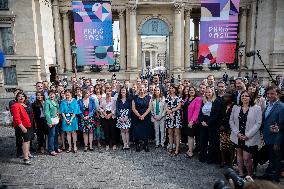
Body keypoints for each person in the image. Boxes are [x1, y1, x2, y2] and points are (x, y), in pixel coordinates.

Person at [230, 90, 262, 177]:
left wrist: (248, 135)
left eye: (246, 96)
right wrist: (237, 133)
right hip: (238, 136)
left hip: (249, 137)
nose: (244, 97)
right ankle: (240, 173)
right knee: (239, 155)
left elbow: (258, 123)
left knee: (246, 158)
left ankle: (250, 175)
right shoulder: (235, 107)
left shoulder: (257, 108)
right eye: (242, 96)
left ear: (250, 98)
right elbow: (231, 121)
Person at [260, 86, 284, 182]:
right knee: (271, 158)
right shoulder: (268, 105)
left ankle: (275, 178)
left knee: (277, 159)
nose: (269, 95)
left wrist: (278, 142)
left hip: (276, 139)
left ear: (278, 94)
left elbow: (282, 125)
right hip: (268, 138)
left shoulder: (281, 107)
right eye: (268, 93)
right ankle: (269, 174)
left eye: (272, 93)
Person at [199, 87, 221, 164]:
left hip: (212, 124)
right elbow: (200, 113)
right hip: (203, 123)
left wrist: (208, 122)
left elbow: (216, 114)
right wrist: (202, 121)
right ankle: (203, 156)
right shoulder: (203, 101)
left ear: (213, 92)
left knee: (212, 142)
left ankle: (211, 158)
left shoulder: (216, 101)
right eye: (206, 92)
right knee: (203, 141)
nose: (208, 94)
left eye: (209, 92)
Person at [10, 92, 33, 165]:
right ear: (16, 98)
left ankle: (27, 153)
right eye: (19, 96)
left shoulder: (25, 104)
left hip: (29, 125)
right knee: (25, 141)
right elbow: (16, 118)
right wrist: (22, 127)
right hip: (22, 126)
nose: (21, 97)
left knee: (28, 140)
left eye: (23, 96)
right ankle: (25, 158)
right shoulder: (15, 105)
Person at [182, 86, 202, 158]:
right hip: (185, 119)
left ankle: (190, 152)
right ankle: (190, 149)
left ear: (195, 91)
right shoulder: (187, 98)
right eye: (190, 90)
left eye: (192, 90)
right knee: (189, 136)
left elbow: (197, 110)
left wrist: (192, 121)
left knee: (191, 136)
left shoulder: (198, 99)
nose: (191, 91)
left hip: (192, 121)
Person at [132, 84, 152, 152]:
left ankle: (145, 144)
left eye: (143, 87)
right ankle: (137, 145)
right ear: (138, 88)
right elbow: (133, 108)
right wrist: (139, 115)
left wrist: (143, 115)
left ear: (145, 89)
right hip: (136, 116)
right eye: (140, 87)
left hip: (146, 116)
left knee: (145, 130)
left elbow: (149, 107)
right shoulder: (135, 97)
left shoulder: (148, 97)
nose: (141, 89)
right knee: (137, 131)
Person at [165, 84, 182, 155]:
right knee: (170, 133)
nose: (171, 89)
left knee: (177, 134)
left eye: (173, 88)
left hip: (177, 117)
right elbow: (165, 107)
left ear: (175, 89)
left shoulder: (179, 98)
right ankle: (171, 147)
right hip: (169, 117)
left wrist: (171, 111)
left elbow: (179, 107)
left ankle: (177, 148)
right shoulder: (167, 98)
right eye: (170, 88)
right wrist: (170, 114)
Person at [219, 92, 235, 167]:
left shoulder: (234, 106)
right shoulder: (223, 105)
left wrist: (226, 126)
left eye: (226, 97)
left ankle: (231, 162)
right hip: (223, 129)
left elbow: (233, 119)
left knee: (231, 147)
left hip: (230, 129)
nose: (224, 98)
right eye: (224, 97)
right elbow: (221, 116)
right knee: (222, 146)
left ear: (230, 98)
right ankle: (223, 160)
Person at [44, 90, 61, 156]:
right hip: (51, 120)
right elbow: (46, 112)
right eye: (50, 94)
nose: (52, 95)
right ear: (48, 95)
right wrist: (49, 122)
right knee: (51, 135)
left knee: (56, 134)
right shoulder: (47, 102)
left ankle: (56, 148)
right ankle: (51, 150)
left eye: (53, 94)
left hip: (56, 119)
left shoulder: (56, 101)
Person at [100, 86, 117, 150]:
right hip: (104, 115)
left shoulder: (113, 99)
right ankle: (107, 144)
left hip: (112, 115)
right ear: (105, 92)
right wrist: (104, 114)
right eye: (107, 91)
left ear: (111, 92)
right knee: (106, 130)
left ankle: (114, 144)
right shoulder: (102, 99)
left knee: (113, 130)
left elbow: (115, 108)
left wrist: (110, 114)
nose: (108, 93)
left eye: (109, 91)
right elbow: (100, 107)